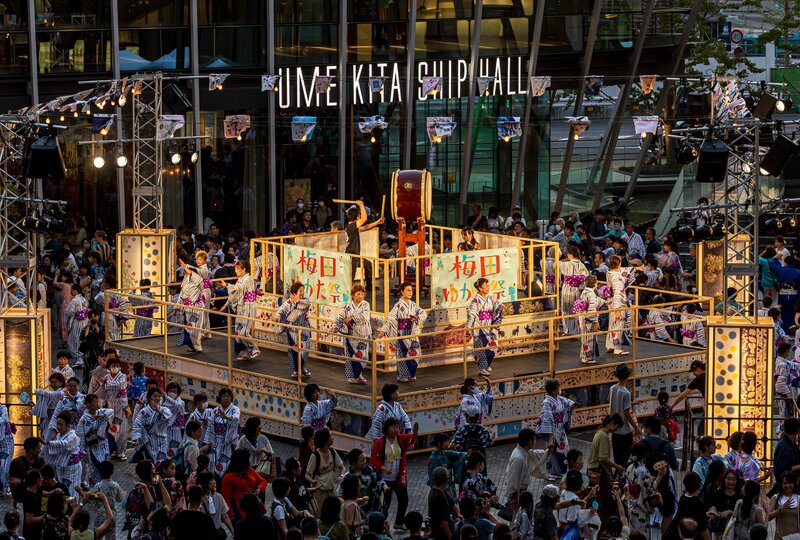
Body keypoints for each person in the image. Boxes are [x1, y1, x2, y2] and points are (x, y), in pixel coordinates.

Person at [370, 419, 418, 532]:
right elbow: (373, 460)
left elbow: (413, 438)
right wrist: (383, 468)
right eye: (394, 427)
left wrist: (415, 431)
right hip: (385, 479)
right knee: (385, 503)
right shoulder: (380, 442)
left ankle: (399, 522)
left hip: (398, 477)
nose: (396, 429)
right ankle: (380, 525)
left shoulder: (400, 439)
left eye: (398, 427)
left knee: (404, 499)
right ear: (387, 428)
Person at [380, 282, 426, 383]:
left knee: (415, 355)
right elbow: (391, 318)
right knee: (403, 355)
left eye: (411, 290)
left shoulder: (413, 304)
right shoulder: (398, 305)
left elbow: (423, 313)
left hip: (412, 333)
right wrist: (383, 330)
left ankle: (411, 374)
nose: (410, 292)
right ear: (402, 291)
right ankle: (402, 376)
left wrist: (417, 317)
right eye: (408, 290)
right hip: (402, 333)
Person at [218, 260, 261, 360]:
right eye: (235, 268)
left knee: (244, 332)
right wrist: (225, 305)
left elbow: (238, 288)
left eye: (238, 268)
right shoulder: (240, 279)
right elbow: (234, 294)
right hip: (241, 307)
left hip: (248, 306)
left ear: (244, 269)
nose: (236, 271)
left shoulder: (248, 279)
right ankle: (246, 351)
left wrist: (227, 285)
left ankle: (254, 348)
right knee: (237, 332)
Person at [334, 283, 373, 385]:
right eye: (358, 294)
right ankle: (353, 377)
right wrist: (335, 326)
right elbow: (341, 316)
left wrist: (351, 317)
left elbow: (366, 316)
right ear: (352, 295)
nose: (360, 296)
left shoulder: (365, 304)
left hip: (362, 334)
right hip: (351, 335)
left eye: (362, 294)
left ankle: (359, 375)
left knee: (363, 356)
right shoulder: (348, 306)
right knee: (352, 356)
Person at [466, 278, 503, 376]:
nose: (488, 287)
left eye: (488, 285)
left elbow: (497, 303)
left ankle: (486, 365)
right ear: (480, 288)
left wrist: (501, 306)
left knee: (494, 345)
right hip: (479, 327)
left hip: (489, 325)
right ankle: (482, 368)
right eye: (485, 285)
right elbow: (472, 314)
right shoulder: (476, 300)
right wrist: (468, 328)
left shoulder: (490, 297)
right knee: (482, 349)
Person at [624, 442, 665, 532]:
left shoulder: (630, 466)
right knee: (640, 535)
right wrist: (660, 476)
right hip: (640, 507)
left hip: (631, 504)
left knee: (632, 532)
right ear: (645, 455)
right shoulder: (643, 470)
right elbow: (650, 489)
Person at [538, 378, 575, 476]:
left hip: (560, 430)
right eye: (558, 388)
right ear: (554, 391)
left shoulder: (559, 399)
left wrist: (572, 405)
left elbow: (568, 403)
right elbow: (547, 418)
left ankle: (561, 471)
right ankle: (556, 471)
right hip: (553, 431)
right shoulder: (547, 402)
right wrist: (550, 435)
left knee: (563, 450)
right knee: (555, 451)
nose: (560, 389)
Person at [275, 282, 312, 378]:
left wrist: (297, 301)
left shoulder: (306, 301)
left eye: (303, 291)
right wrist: (278, 315)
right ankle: (296, 370)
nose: (302, 293)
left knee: (305, 350)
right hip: (292, 329)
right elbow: (282, 309)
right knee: (294, 350)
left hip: (303, 327)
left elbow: (305, 305)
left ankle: (303, 368)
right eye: (300, 291)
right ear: (295, 292)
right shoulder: (289, 301)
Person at [75, 393, 114, 484]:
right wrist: (82, 451)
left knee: (106, 467)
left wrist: (101, 416)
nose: (97, 404)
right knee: (95, 468)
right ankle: (96, 488)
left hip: (103, 445)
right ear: (88, 404)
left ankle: (106, 486)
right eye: (95, 402)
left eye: (98, 402)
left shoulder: (100, 412)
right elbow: (80, 435)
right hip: (92, 446)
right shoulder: (84, 419)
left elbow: (111, 411)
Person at [305, 429, 345, 515]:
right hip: (319, 493)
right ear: (325, 439)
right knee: (318, 516)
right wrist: (313, 481)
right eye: (330, 436)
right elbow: (307, 475)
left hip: (332, 492)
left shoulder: (332, 452)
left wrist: (341, 476)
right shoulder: (315, 456)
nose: (332, 438)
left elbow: (342, 468)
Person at [344, 200, 384, 287]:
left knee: (368, 265)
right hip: (352, 255)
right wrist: (361, 205)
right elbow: (365, 219)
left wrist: (377, 222)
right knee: (350, 276)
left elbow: (365, 227)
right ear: (356, 217)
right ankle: (346, 293)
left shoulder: (352, 227)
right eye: (359, 215)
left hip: (356, 255)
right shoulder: (351, 226)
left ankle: (369, 285)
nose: (360, 216)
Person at [41, 411, 81, 497]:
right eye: (57, 424)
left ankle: (72, 508)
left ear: (68, 425)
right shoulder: (59, 435)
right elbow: (55, 448)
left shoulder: (72, 436)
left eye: (61, 425)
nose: (58, 427)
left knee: (71, 490)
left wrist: (48, 443)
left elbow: (64, 444)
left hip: (72, 468)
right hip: (60, 466)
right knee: (62, 489)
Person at [220, 449, 267, 521]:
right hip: (240, 512)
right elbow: (226, 499)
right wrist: (231, 515)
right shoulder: (228, 477)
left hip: (254, 509)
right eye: (247, 459)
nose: (249, 461)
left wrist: (258, 489)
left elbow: (263, 482)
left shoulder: (248, 470)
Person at [131, 387, 174, 466]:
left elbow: (169, 418)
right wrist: (137, 438)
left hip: (162, 441)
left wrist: (159, 411)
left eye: (158, 396)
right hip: (149, 441)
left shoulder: (164, 409)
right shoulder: (144, 412)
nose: (157, 398)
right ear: (149, 397)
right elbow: (137, 424)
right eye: (154, 396)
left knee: (161, 463)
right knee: (151, 464)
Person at [97, 356, 129, 461]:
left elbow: (119, 386)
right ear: (109, 367)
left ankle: (121, 452)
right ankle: (113, 450)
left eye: (117, 366)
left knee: (122, 430)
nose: (115, 367)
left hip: (121, 406)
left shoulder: (123, 376)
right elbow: (102, 391)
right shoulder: (106, 377)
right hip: (110, 406)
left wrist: (106, 383)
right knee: (112, 429)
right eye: (113, 366)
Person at [608, 364, 640, 466]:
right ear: (627, 376)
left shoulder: (612, 388)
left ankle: (617, 479)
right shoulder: (626, 393)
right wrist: (636, 428)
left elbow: (616, 404)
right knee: (625, 460)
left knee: (617, 459)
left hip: (615, 430)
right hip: (625, 431)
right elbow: (626, 412)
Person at [205, 388, 241, 476]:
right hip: (216, 441)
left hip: (227, 443)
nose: (226, 398)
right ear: (220, 398)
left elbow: (236, 418)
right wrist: (208, 443)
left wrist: (227, 417)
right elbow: (210, 426)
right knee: (213, 463)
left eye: (228, 396)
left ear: (231, 398)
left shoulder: (235, 409)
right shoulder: (215, 410)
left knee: (225, 465)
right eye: (223, 396)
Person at [85, 461, 124, 540]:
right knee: (111, 535)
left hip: (99, 516)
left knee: (97, 535)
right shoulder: (115, 485)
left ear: (99, 472)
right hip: (112, 515)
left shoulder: (98, 485)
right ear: (112, 472)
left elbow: (90, 496)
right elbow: (120, 499)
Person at [340, 448, 385, 516]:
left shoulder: (369, 470)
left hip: (373, 507)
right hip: (356, 511)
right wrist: (355, 500)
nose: (365, 462)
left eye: (365, 459)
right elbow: (340, 495)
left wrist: (384, 486)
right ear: (354, 463)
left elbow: (379, 480)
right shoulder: (347, 477)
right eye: (361, 461)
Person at [605, 255, 634, 355]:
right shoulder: (616, 277)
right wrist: (618, 309)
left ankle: (610, 345)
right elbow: (618, 293)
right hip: (618, 303)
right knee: (618, 324)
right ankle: (617, 347)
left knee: (612, 324)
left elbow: (621, 270)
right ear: (619, 264)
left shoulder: (609, 272)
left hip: (611, 301)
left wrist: (636, 268)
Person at [177, 256, 205, 353]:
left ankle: (197, 346)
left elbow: (195, 276)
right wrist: (176, 307)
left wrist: (186, 266)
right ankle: (193, 345)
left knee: (195, 327)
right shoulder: (186, 279)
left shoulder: (198, 279)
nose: (184, 271)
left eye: (185, 270)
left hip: (197, 306)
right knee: (189, 327)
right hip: (188, 307)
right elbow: (181, 294)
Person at [427, 433, 465, 502]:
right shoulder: (433, 458)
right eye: (446, 442)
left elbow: (460, 455)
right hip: (440, 487)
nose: (448, 443)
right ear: (439, 443)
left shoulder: (447, 453)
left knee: (452, 504)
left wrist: (467, 454)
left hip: (450, 485)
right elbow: (431, 477)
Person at [561, 246, 590, 335]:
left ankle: (567, 330)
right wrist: (581, 287)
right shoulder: (582, 265)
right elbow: (586, 278)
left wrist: (564, 260)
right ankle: (576, 331)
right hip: (577, 289)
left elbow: (555, 265)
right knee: (576, 309)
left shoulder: (566, 264)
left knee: (566, 310)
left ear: (570, 254)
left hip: (567, 289)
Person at [195, 471, 235, 537]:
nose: (215, 482)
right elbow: (224, 516)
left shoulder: (219, 496)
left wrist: (233, 531)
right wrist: (232, 531)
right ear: (205, 483)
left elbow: (225, 516)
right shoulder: (199, 498)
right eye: (211, 480)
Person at [8, 437, 44, 503]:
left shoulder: (41, 461)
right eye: (38, 448)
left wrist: (22, 481)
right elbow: (12, 483)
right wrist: (14, 500)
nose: (40, 450)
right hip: (22, 500)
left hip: (38, 499)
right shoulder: (16, 463)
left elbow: (42, 481)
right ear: (31, 450)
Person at [32, 372, 66, 440]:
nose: (53, 384)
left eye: (55, 382)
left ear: (61, 383)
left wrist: (37, 390)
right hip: (48, 420)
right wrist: (33, 405)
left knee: (52, 439)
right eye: (51, 382)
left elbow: (39, 392)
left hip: (55, 421)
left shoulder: (59, 393)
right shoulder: (53, 393)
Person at [576, 275, 601, 364]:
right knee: (588, 338)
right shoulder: (591, 294)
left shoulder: (584, 292)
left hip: (582, 316)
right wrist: (596, 322)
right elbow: (592, 309)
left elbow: (596, 300)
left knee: (584, 338)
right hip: (588, 319)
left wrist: (605, 302)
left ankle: (584, 355)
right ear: (594, 283)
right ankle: (586, 357)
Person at [768, 471, 800, 538]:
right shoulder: (775, 498)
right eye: (785, 483)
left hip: (796, 536)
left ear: (794, 483)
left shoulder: (798, 498)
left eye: (790, 483)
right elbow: (767, 517)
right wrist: (781, 509)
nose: (787, 486)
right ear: (781, 484)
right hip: (780, 535)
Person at [64, 284, 90, 368]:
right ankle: (80, 359)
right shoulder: (84, 299)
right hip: (85, 321)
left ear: (75, 291)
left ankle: (79, 359)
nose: (70, 292)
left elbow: (68, 312)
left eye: (71, 290)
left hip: (77, 322)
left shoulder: (74, 300)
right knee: (81, 339)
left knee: (74, 340)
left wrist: (65, 321)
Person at [504, 428, 535, 496]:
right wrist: (512, 499)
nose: (535, 442)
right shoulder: (518, 458)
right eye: (534, 440)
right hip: (518, 494)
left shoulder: (524, 452)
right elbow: (512, 481)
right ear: (530, 442)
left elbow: (536, 453)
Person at [428, 467, 455, 540]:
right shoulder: (438, 497)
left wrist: (458, 514)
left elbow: (452, 504)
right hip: (441, 534)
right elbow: (443, 522)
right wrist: (449, 535)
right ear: (445, 480)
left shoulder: (438, 490)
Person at [20, 469, 44, 540]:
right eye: (41, 478)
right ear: (37, 480)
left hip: (35, 531)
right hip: (31, 534)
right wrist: (44, 516)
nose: (42, 479)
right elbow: (29, 520)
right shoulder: (29, 497)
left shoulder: (34, 492)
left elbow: (43, 493)